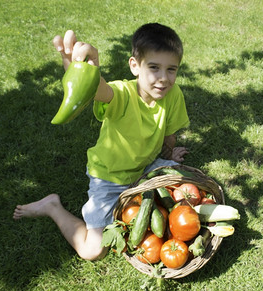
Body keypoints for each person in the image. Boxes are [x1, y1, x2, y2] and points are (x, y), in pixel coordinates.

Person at [13, 23, 190, 261]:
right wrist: (85, 67)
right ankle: (52, 206)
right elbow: (97, 88)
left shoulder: (173, 94)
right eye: (154, 67)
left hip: (143, 168)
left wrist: (168, 155)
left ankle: (141, 187)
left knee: (182, 184)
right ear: (134, 66)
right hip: (110, 178)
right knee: (93, 251)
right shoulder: (123, 95)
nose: (163, 79)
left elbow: (169, 132)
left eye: (171, 69)